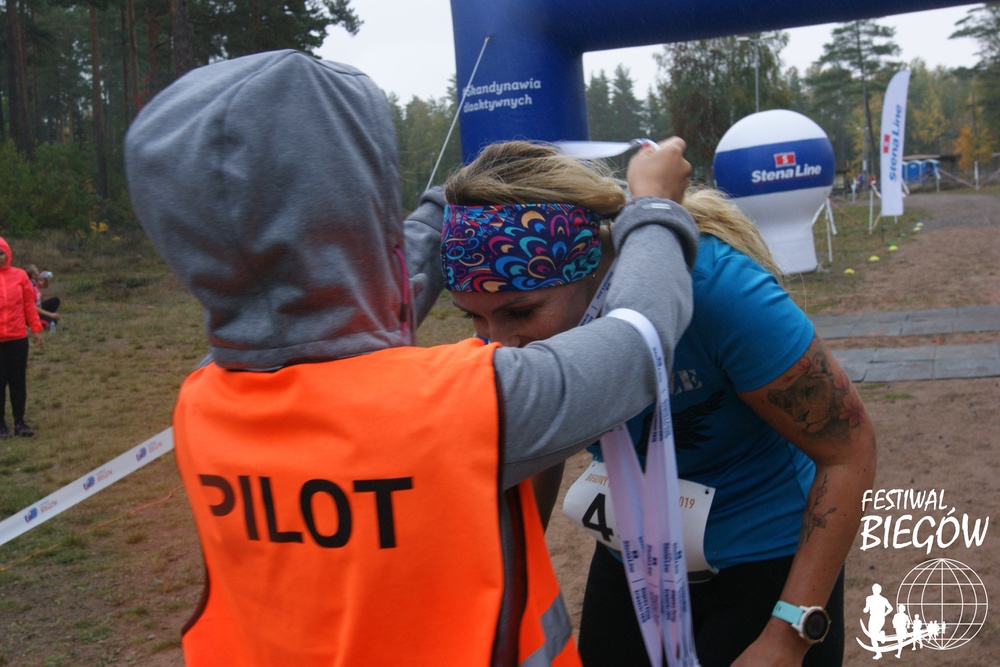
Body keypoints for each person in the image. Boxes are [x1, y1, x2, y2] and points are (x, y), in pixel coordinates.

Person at [124, 50, 698, 666]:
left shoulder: (202, 407)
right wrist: (654, 206)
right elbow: (638, 334)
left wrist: (448, 203)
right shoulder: (469, 406)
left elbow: (329, 291)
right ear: (363, 203)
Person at [441, 141, 877, 667]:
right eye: (474, 317)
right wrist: (509, 585)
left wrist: (789, 635)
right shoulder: (517, 329)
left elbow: (848, 451)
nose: (499, 345)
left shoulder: (716, 290)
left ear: (593, 266)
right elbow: (543, 443)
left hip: (764, 561)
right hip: (633, 557)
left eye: (521, 312)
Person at [0, 239, 44, 438]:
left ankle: (20, 422)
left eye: (1, 253)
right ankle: (1, 425)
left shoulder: (19, 276)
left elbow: (29, 305)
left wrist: (37, 329)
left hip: (17, 338)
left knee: (18, 381)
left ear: (8, 253)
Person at [25, 265, 61, 331]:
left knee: (56, 300)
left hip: (39, 307)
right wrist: (50, 314)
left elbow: (45, 285)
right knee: (52, 321)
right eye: (36, 272)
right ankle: (34, 323)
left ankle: (44, 317)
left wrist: (45, 278)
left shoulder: (35, 283)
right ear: (32, 275)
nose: (38, 273)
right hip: (33, 311)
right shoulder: (28, 287)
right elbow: (32, 307)